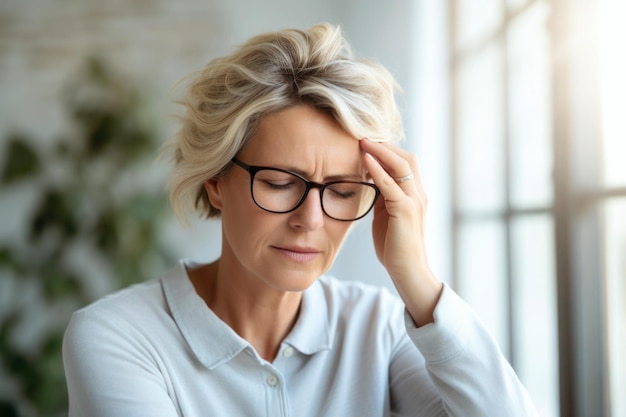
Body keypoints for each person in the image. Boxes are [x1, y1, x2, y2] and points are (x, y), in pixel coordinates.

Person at [62, 23, 538, 416]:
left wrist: (417, 280)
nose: (310, 219)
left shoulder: (380, 328)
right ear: (215, 180)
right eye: (278, 183)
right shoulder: (118, 337)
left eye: (343, 190)